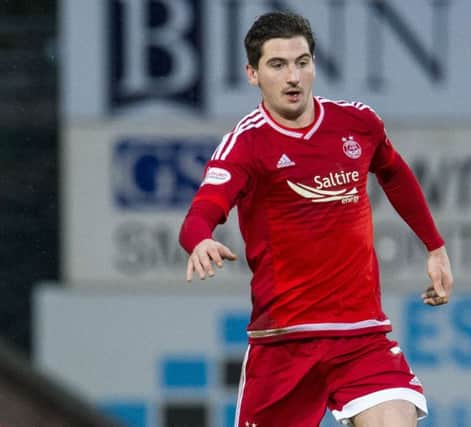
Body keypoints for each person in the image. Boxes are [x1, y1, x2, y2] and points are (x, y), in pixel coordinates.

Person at [179, 11, 453, 427]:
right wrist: (198, 240)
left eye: (302, 62)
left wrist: (434, 246)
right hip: (283, 346)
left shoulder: (358, 123)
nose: (293, 76)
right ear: (252, 74)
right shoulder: (246, 144)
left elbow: (393, 172)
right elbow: (202, 212)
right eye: (277, 65)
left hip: (361, 338)